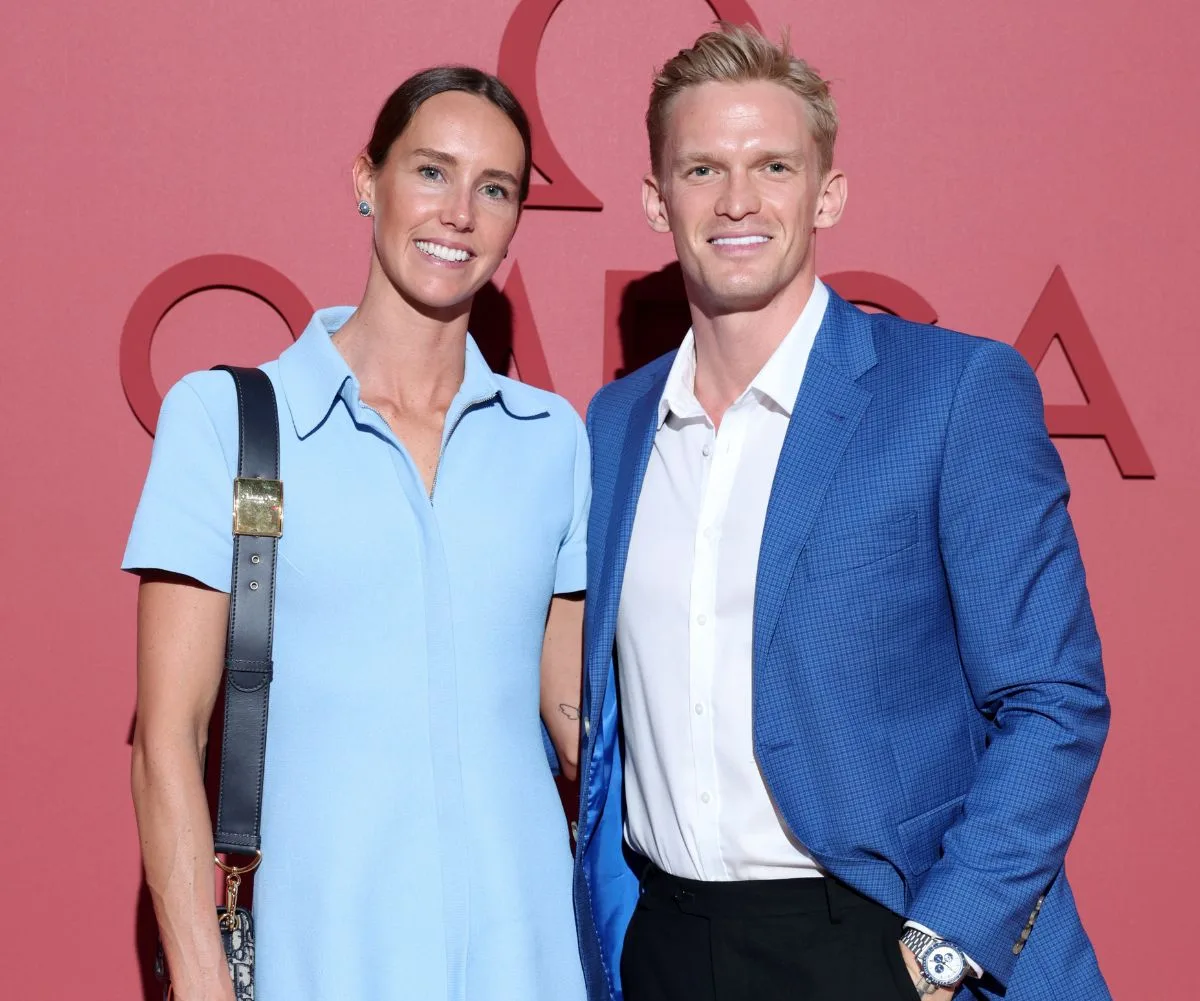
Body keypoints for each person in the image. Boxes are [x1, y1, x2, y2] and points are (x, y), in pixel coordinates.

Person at [573, 24, 1110, 1001]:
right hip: (668, 946)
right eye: (702, 168)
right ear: (657, 201)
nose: (737, 200)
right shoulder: (614, 426)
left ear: (828, 194)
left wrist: (938, 949)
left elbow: (1053, 697)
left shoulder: (953, 392)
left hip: (877, 934)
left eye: (773, 166)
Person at [125, 66, 588, 1001]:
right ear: (367, 181)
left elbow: (577, 721)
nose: (459, 212)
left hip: (528, 958)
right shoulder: (227, 420)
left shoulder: (551, 438)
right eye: (431, 171)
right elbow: (166, 736)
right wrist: (206, 983)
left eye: (494, 189)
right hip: (321, 958)